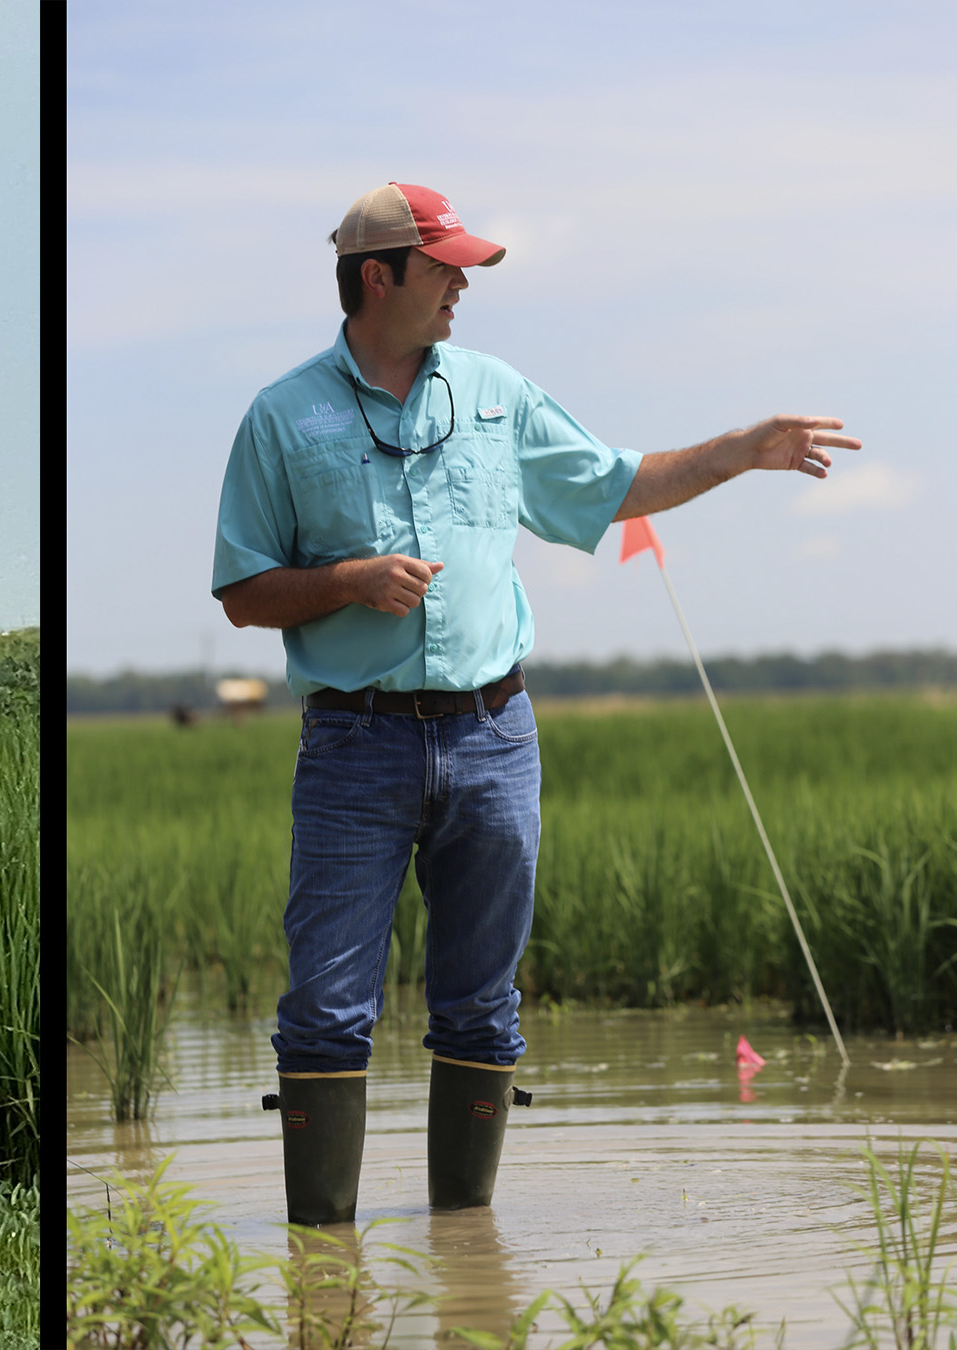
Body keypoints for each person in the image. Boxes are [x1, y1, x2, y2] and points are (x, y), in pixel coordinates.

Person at [212, 182, 859, 1224]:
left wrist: (743, 451)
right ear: (379, 277)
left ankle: (469, 1268)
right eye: (444, 267)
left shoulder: (499, 394)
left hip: (493, 739)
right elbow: (244, 591)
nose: (463, 284)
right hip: (352, 748)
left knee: (482, 1008)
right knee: (326, 1013)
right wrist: (346, 582)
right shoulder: (283, 417)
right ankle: (319, 1275)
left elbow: (614, 484)